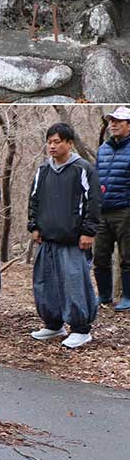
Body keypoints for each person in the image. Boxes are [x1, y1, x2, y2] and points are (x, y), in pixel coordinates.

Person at [28, 122, 100, 348]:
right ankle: (53, 324)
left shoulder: (82, 168)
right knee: (45, 283)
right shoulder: (43, 170)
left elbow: (94, 202)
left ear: (69, 143)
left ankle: (81, 329)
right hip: (47, 239)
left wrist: (88, 231)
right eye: (49, 142)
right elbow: (34, 200)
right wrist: (34, 226)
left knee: (74, 284)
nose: (52, 146)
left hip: (73, 240)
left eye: (57, 142)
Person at [95, 107, 130, 310]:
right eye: (111, 121)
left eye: (118, 121)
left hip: (125, 210)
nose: (113, 124)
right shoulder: (103, 149)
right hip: (102, 210)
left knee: (127, 256)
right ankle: (104, 295)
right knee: (100, 256)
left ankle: (127, 297)